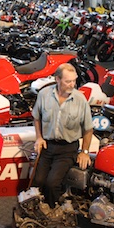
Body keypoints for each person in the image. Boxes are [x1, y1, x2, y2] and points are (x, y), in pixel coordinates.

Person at [31, 63, 93, 208]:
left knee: (52, 184)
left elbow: (88, 129)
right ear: (57, 79)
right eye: (68, 81)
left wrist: (84, 152)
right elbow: (37, 117)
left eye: (74, 81)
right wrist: (39, 137)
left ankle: (52, 212)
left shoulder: (80, 100)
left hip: (67, 149)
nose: (72, 85)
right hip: (48, 145)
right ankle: (35, 212)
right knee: (37, 182)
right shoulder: (44, 94)